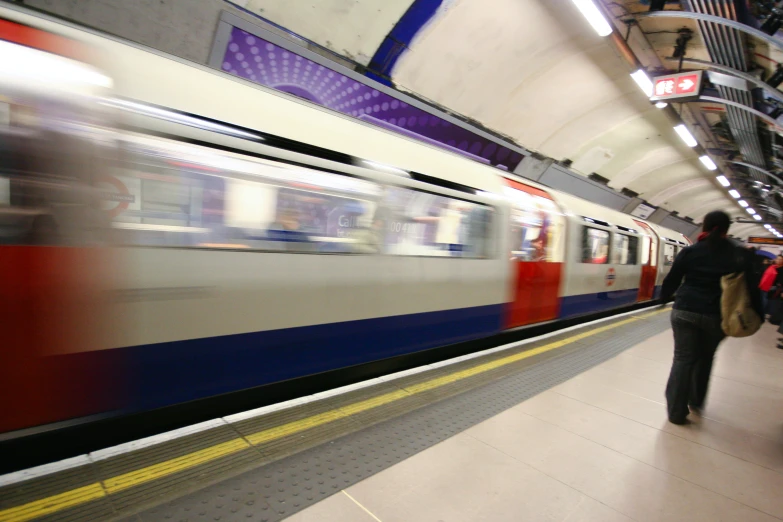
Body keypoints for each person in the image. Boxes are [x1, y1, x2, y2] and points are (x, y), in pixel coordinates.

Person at [660, 211, 763, 425]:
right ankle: (696, 401)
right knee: (705, 358)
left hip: (685, 311)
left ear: (704, 227)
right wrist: (759, 314)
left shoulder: (690, 252)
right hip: (718, 315)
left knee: (683, 359)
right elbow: (751, 287)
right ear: (727, 230)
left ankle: (676, 412)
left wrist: (663, 299)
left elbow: (672, 280)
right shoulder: (737, 255)